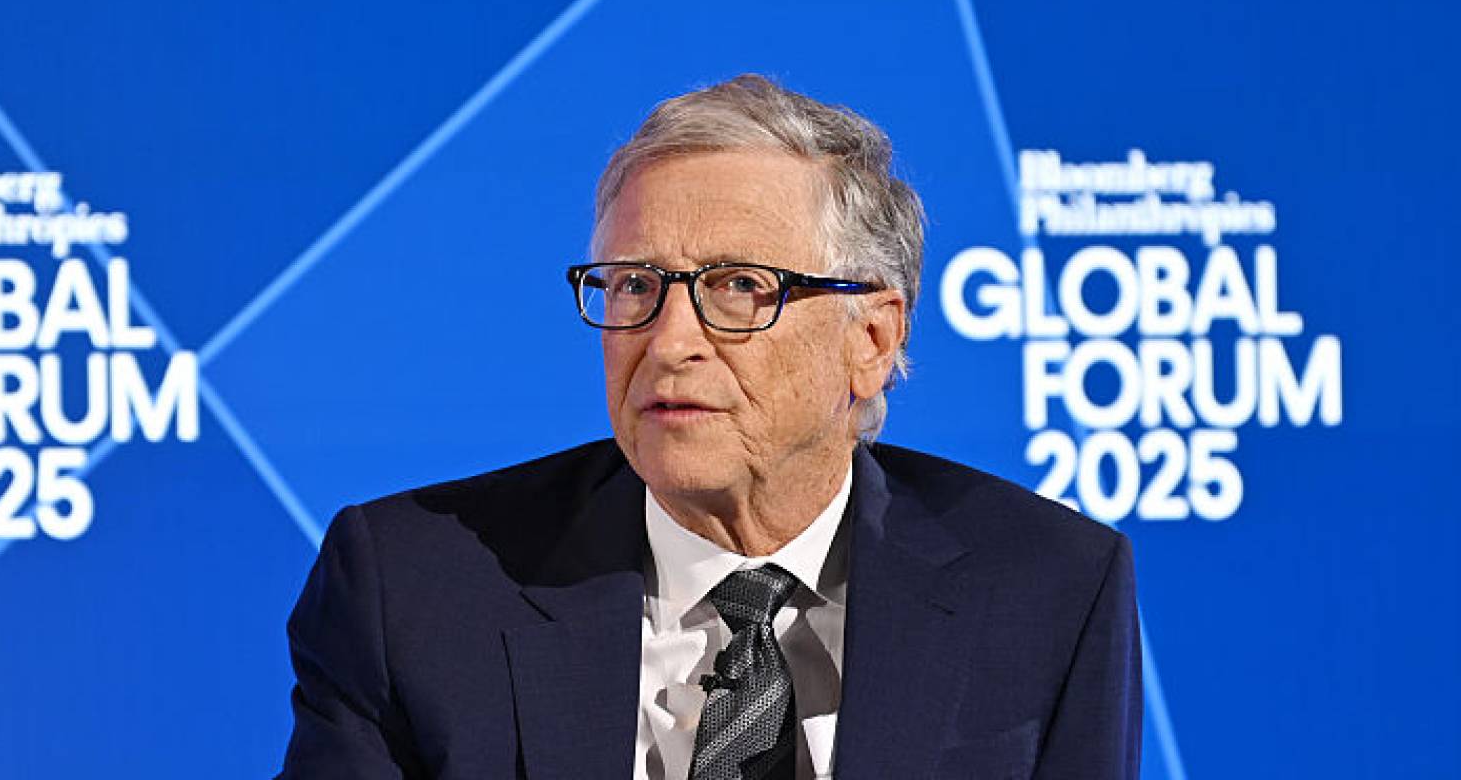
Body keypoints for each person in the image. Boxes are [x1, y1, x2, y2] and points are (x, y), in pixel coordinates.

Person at [277, 74, 1140, 780]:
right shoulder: (416, 590)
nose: (670, 340)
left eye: (738, 287)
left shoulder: (1045, 589)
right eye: (633, 286)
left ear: (871, 340)